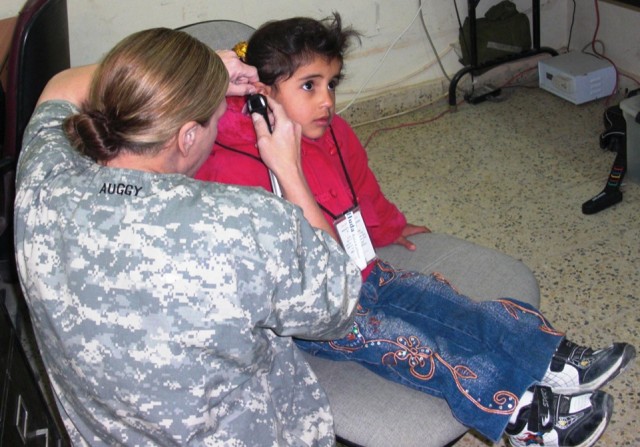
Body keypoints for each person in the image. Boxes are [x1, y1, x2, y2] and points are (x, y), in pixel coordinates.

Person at [194, 14, 636, 447]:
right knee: (418, 344)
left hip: (364, 272)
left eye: (331, 83)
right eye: (309, 85)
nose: (326, 99)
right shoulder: (225, 154)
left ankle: (546, 357)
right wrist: (214, 72)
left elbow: (360, 192)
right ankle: (524, 417)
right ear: (261, 93)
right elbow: (159, 112)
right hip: (311, 313)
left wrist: (391, 225)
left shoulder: (333, 131)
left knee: (444, 301)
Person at [13, 27, 363, 446]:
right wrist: (289, 169)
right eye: (215, 119)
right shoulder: (244, 223)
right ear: (188, 137)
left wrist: (200, 70)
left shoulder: (44, 187)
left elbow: (60, 85)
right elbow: (341, 301)